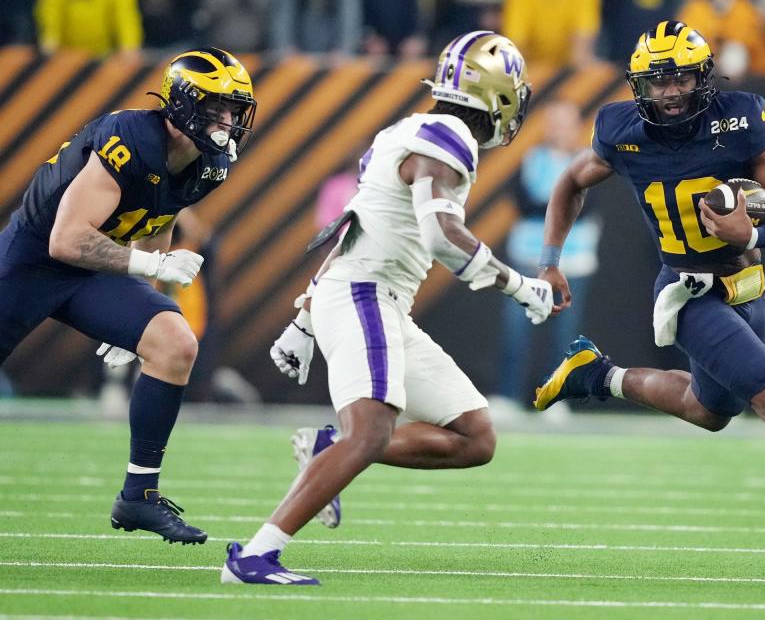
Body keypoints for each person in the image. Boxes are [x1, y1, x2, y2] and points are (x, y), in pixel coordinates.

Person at [532, 20, 765, 581]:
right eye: (658, 80)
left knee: (710, 411)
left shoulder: (742, 120)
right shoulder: (621, 130)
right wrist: (550, 260)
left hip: (749, 287)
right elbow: (569, 183)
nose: (671, 90)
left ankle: (597, 375)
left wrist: (749, 237)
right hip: (690, 292)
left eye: (680, 77)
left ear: (703, 76)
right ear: (639, 85)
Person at [221, 31, 552, 585]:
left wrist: (303, 319)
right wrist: (520, 285)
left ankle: (331, 448)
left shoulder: (407, 130)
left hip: (377, 299)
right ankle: (256, 555)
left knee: (475, 436)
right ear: (496, 94)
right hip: (364, 294)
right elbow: (443, 235)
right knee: (370, 432)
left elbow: (353, 225)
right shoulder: (447, 136)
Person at [0, 47, 257, 544]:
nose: (229, 120)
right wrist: (152, 266)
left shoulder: (207, 162)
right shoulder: (130, 136)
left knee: (173, 342)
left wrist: (142, 298)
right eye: (217, 107)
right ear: (183, 103)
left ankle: (138, 496)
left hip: (96, 269)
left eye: (234, 109)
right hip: (30, 261)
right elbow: (66, 238)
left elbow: (156, 223)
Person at [497, 99, 601, 405]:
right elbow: (521, 202)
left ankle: (557, 398)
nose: (558, 130)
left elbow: (588, 207)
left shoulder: (588, 161)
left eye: (564, 123)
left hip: (574, 262)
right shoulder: (531, 159)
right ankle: (508, 395)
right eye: (553, 123)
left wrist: (549, 206)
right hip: (528, 259)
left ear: (576, 127)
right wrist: (562, 206)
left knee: (564, 337)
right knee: (515, 331)